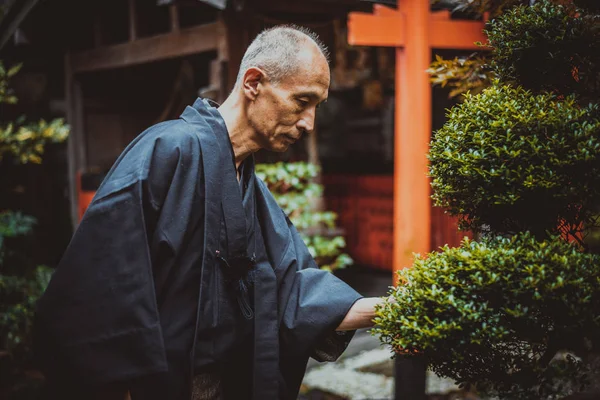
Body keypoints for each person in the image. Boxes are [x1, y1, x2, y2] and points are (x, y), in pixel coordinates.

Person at [34, 25, 385, 400]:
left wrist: (391, 311)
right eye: (302, 102)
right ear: (253, 83)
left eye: (316, 107)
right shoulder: (167, 151)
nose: (309, 123)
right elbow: (100, 286)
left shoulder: (253, 189)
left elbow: (294, 293)